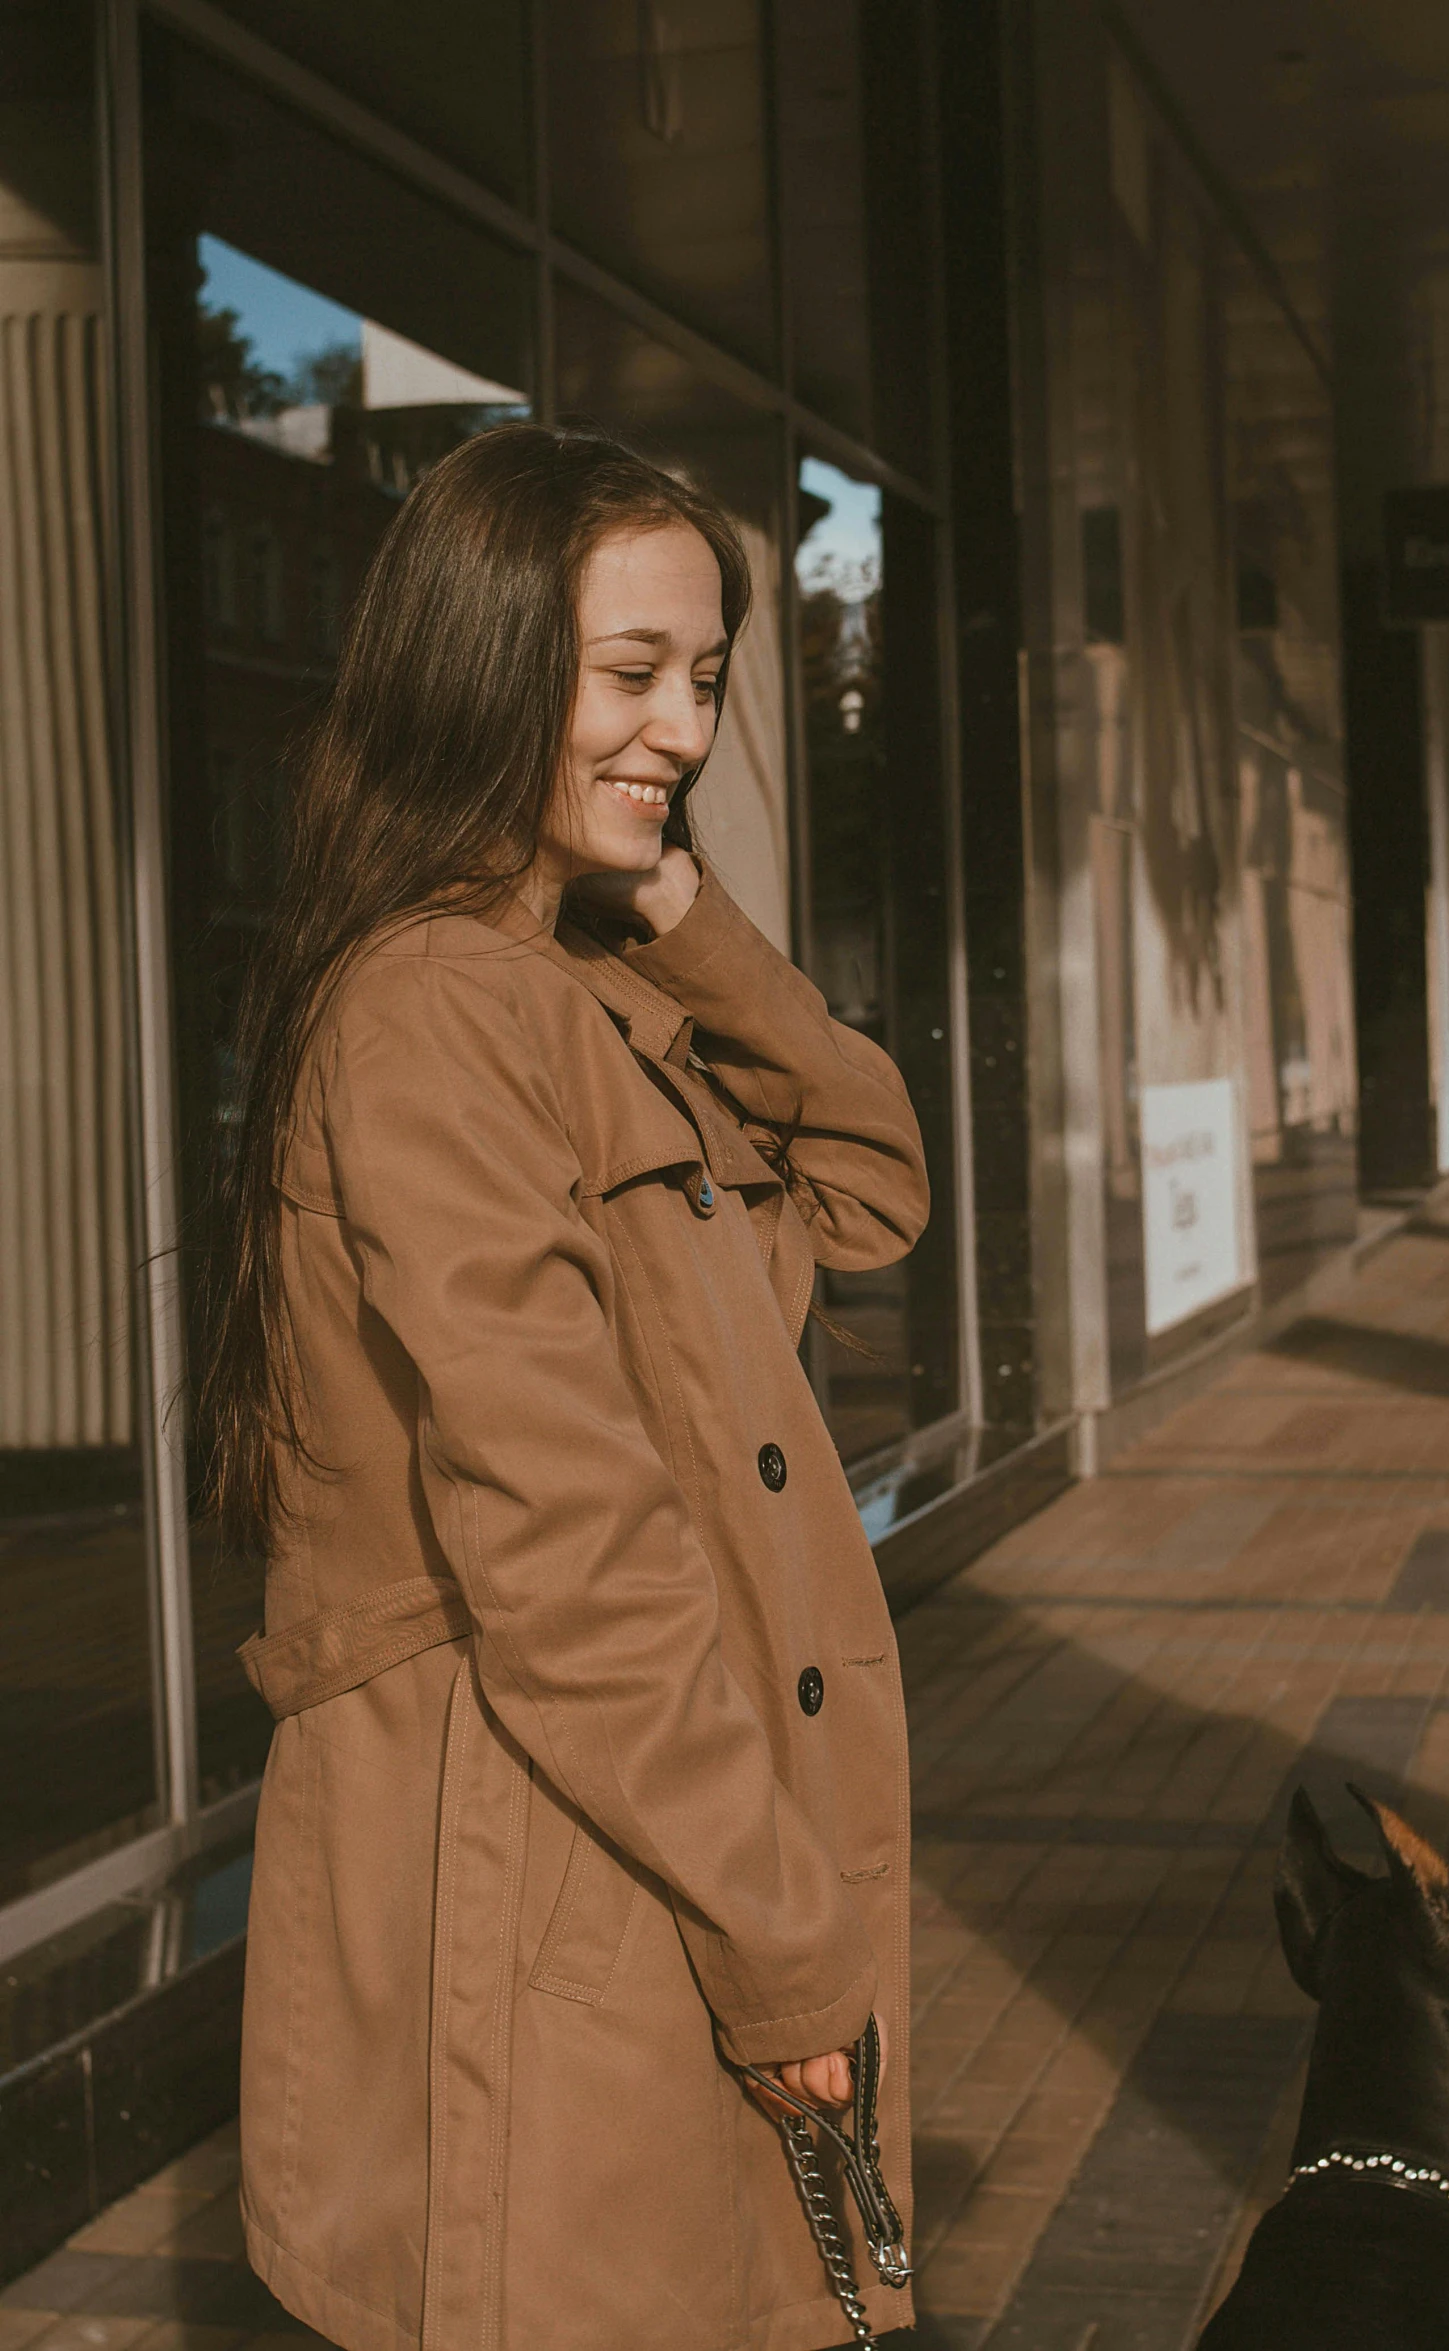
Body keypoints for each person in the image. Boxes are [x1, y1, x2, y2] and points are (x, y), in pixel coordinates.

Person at [202, 422, 928, 2351]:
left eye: (701, 680)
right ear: (482, 667)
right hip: (551, 1879)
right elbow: (568, 1545)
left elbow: (868, 1183)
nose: (680, 727)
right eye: (628, 676)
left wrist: (684, 913)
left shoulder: (591, 993)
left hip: (647, 1839)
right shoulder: (440, 1007)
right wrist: (786, 1950)